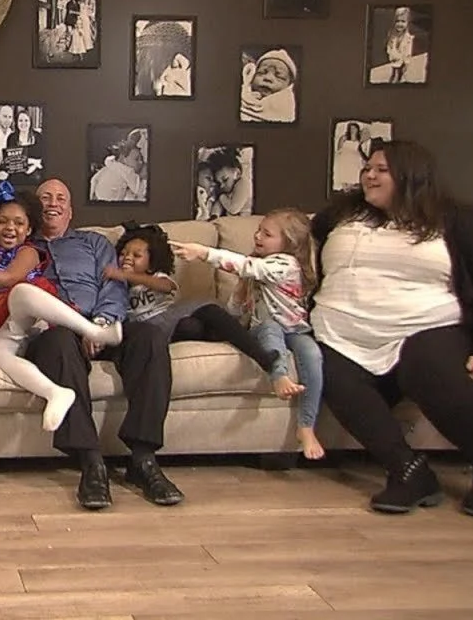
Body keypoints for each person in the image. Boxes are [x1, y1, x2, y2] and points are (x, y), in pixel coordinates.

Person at [311, 140, 473, 517]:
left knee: (430, 372)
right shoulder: (340, 217)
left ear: (411, 175)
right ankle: (408, 471)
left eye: (381, 170)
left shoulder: (458, 220)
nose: (369, 176)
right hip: (340, 331)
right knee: (333, 376)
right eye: (367, 169)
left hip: (425, 325)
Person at [19, 179, 182, 510]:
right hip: (56, 330)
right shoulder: (21, 247)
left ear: (71, 209)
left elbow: (114, 289)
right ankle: (91, 462)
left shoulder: (94, 242)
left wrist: (101, 324)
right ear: (34, 208)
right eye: (45, 197)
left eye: (61, 198)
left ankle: (143, 459)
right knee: (59, 343)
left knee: (149, 338)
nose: (53, 202)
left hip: (102, 324)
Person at [0, 182, 124, 433]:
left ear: (29, 230)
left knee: (21, 291)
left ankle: (94, 330)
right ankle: (55, 393)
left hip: (31, 310)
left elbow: (8, 278)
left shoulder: (29, 251)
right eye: (3, 222)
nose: (10, 228)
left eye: (18, 223)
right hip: (8, 320)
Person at [171, 208, 326, 459]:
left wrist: (203, 252)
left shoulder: (285, 264)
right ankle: (279, 377)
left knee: (313, 355)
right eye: (258, 230)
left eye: (267, 234)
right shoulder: (258, 267)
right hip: (266, 327)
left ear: (290, 243)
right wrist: (243, 286)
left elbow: (246, 265)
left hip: (297, 329)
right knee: (270, 329)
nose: (258, 236)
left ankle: (306, 426)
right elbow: (234, 310)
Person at [105, 223, 280, 377]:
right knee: (193, 325)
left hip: (170, 318)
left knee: (200, 318)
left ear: (151, 264)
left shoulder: (156, 277)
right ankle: (220, 334)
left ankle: (261, 356)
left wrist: (129, 276)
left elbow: (166, 286)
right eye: (123, 253)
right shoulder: (117, 285)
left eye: (136, 255)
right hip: (150, 331)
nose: (127, 257)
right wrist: (120, 278)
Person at [89, 127, 147, 202]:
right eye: (137, 159)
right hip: (110, 197)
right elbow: (139, 189)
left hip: (99, 193)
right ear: (123, 158)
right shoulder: (127, 171)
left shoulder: (111, 164)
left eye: (141, 159)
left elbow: (95, 179)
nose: (141, 162)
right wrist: (143, 179)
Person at [240, 49, 297, 123]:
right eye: (262, 72)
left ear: (288, 86)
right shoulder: (244, 93)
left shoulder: (287, 105)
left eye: (279, 76)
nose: (268, 78)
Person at [385, 7, 415, 83]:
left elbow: (408, 50)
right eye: (397, 21)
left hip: (403, 61)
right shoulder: (392, 35)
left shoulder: (408, 37)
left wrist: (406, 61)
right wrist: (390, 53)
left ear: (408, 22)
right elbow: (389, 45)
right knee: (394, 74)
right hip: (394, 59)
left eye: (403, 21)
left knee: (401, 75)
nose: (400, 24)